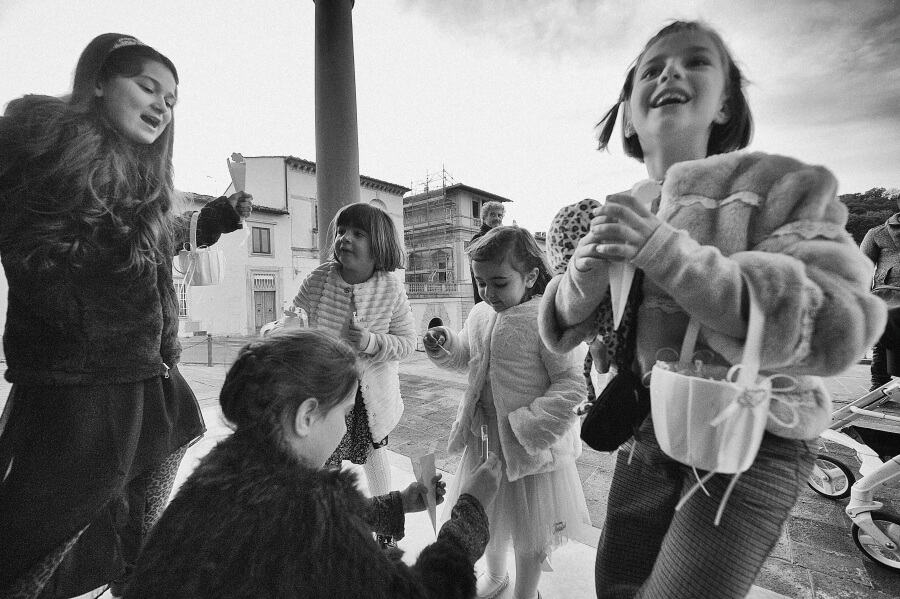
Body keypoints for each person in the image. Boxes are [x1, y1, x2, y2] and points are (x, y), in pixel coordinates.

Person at [538, 20, 886, 599]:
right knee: (616, 590)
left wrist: (667, 253)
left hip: (751, 439)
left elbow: (841, 325)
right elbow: (571, 327)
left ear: (725, 103)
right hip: (649, 432)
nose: (670, 73)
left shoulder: (783, 186)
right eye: (650, 69)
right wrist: (584, 273)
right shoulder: (630, 205)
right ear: (629, 116)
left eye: (696, 61)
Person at [0, 33, 253, 598]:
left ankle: (135, 572)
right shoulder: (39, 156)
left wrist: (218, 215)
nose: (162, 106)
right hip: (81, 382)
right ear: (98, 83)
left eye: (172, 99)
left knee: (153, 474)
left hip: (145, 374)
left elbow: (156, 243)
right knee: (47, 528)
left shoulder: (139, 180)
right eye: (147, 86)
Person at [122, 328, 502, 599]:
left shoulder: (220, 473)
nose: (347, 428)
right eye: (346, 414)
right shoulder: (310, 510)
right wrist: (470, 512)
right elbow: (421, 592)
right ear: (305, 417)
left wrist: (396, 504)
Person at [424, 226, 589, 599]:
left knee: (531, 536)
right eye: (481, 283)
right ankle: (496, 576)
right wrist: (446, 344)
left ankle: (525, 594)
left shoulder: (547, 319)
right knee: (483, 514)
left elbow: (573, 383)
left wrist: (529, 426)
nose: (488, 292)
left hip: (528, 448)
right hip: (484, 439)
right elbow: (467, 356)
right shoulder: (480, 314)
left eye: (499, 283)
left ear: (530, 276)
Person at [290, 202, 416, 548]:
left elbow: (408, 343)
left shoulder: (390, 289)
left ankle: (386, 533)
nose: (345, 238)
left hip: (369, 396)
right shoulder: (319, 280)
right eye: (342, 231)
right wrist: (289, 326)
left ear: (379, 246)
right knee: (323, 458)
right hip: (328, 390)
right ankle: (323, 528)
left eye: (358, 233)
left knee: (375, 455)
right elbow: (296, 315)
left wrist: (372, 342)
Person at [860, 204, 900, 390]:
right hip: (887, 295)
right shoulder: (877, 233)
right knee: (882, 336)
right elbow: (862, 267)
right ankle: (878, 384)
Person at [470, 201, 506, 303]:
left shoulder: (502, 236)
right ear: (484, 218)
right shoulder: (478, 239)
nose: (497, 218)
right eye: (492, 215)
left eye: (499, 215)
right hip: (487, 293)